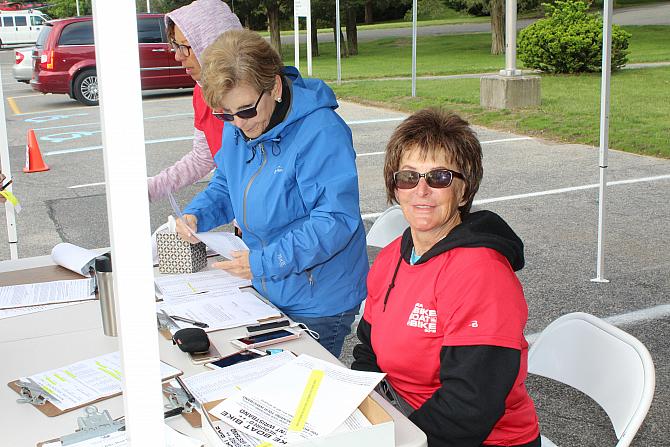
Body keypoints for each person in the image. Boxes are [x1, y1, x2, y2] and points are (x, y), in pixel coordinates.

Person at [352, 109, 540, 447]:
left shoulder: (482, 274)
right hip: (403, 413)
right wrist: (359, 412)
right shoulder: (393, 255)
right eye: (408, 177)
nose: (420, 190)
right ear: (395, 188)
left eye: (439, 178)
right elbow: (368, 350)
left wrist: (398, 439)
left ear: (464, 192)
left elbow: (470, 406)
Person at [176, 29, 368, 357]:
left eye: (246, 111)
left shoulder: (321, 132)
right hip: (265, 284)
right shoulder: (239, 120)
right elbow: (226, 182)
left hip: (317, 297)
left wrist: (265, 262)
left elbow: (334, 221)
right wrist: (198, 215)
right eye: (225, 115)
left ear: (275, 87)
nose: (238, 123)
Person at [147, 0, 242, 202]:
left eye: (185, 46)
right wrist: (151, 188)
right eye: (175, 46)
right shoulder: (201, 92)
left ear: (213, 44)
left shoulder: (260, 96)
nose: (178, 56)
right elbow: (204, 158)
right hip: (246, 216)